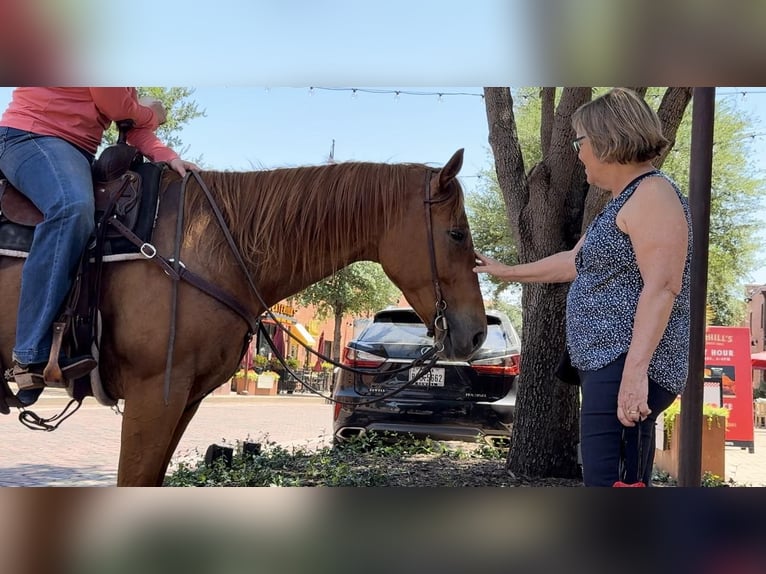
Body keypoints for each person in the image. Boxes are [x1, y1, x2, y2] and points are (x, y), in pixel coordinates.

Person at [473, 88, 692, 486]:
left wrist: (633, 376)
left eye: (580, 141)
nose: (577, 152)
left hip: (625, 364)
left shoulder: (652, 194)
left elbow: (662, 287)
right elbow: (575, 262)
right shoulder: (626, 200)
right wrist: (505, 271)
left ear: (609, 139)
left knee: (612, 486)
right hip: (609, 364)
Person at [0, 87, 199, 404]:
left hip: (72, 151)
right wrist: (151, 112)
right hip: (30, 138)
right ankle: (28, 355)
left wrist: (167, 156)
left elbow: (127, 121)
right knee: (71, 208)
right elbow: (116, 104)